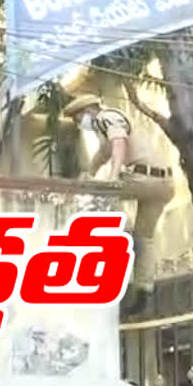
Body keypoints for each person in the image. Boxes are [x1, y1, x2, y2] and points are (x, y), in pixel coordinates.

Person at [62, 94, 175, 317]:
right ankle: (144, 290)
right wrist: (89, 173)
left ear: (88, 111)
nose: (79, 124)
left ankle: (125, 235)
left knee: (98, 195)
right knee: (146, 237)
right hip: (164, 185)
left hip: (144, 179)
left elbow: (118, 143)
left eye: (78, 119)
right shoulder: (104, 129)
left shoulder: (106, 117)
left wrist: (112, 177)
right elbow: (102, 155)